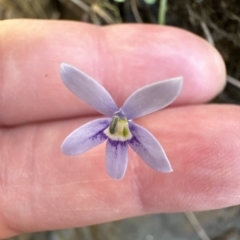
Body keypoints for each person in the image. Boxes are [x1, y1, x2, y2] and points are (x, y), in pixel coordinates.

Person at [0, 19, 237, 238]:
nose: (118, 127)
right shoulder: (112, 124)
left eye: (119, 127)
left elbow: (149, 158)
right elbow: (73, 145)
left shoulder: (126, 126)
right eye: (119, 127)